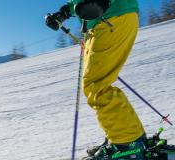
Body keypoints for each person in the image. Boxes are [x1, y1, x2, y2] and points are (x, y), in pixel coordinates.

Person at [45, 0, 147, 159]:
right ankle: (129, 137)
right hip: (100, 22)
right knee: (95, 84)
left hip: (112, 17)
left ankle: (128, 143)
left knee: (97, 86)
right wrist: (64, 12)